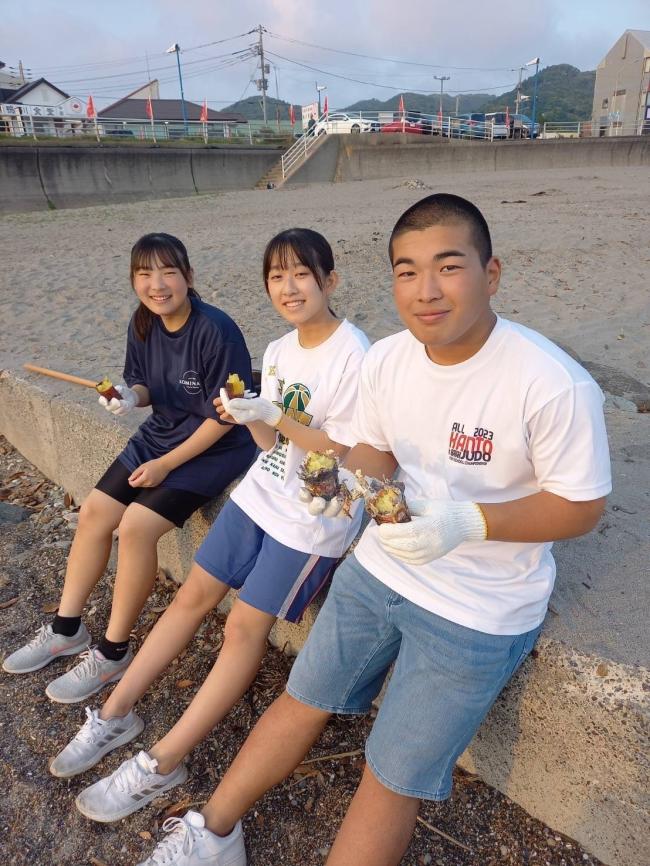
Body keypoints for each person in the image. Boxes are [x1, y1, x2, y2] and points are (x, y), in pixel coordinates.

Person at [132, 193, 611, 866]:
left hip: (479, 608)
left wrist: (469, 521)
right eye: (406, 271)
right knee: (301, 701)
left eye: (449, 267)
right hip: (379, 569)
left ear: (491, 273)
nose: (426, 290)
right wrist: (341, 485)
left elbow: (581, 506)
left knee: (389, 775)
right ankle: (211, 831)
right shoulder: (387, 359)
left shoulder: (549, 382)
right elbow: (376, 451)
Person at [49, 228, 370, 824]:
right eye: (277, 276)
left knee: (244, 628)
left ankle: (160, 763)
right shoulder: (277, 352)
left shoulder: (357, 355)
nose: (289, 287)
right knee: (193, 595)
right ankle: (115, 715)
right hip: (262, 491)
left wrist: (271, 413)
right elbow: (270, 443)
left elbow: (346, 454)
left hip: (313, 517)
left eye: (302, 274)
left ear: (330, 281)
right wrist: (251, 417)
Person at [3, 233, 256, 706]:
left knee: (137, 526)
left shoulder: (215, 330)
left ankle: (113, 651)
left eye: (168, 273)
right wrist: (126, 397)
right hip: (161, 432)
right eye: (145, 274)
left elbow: (226, 418)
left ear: (188, 277)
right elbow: (143, 385)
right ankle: (66, 629)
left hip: (215, 446)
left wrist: (165, 465)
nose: (157, 285)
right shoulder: (143, 323)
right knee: (96, 511)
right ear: (134, 281)